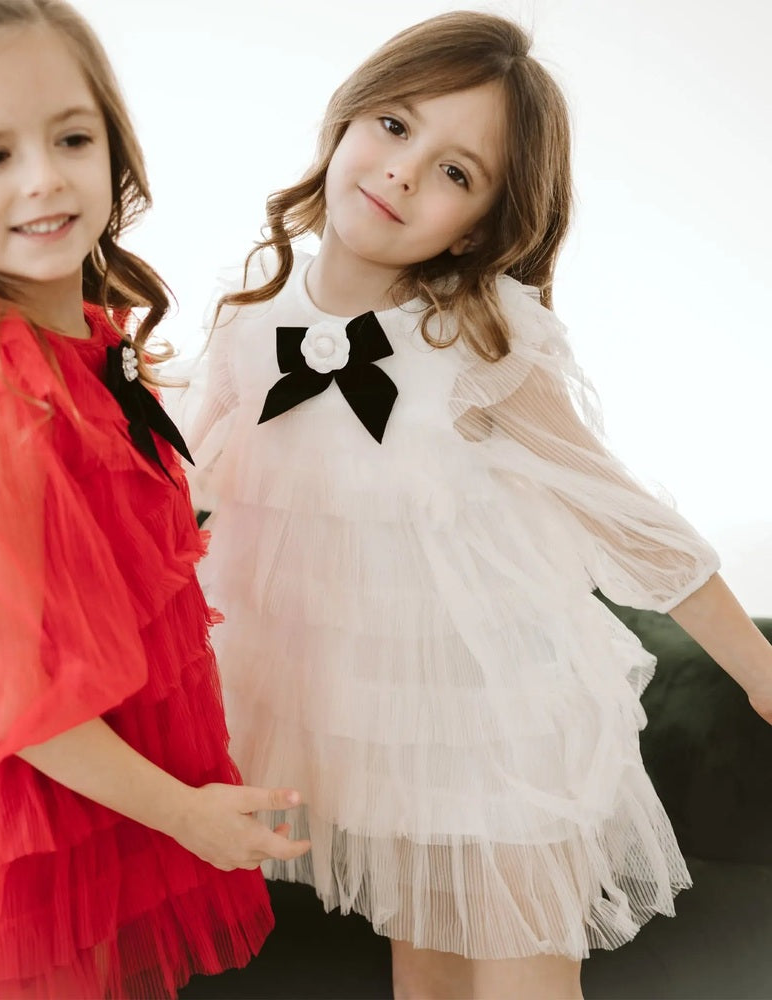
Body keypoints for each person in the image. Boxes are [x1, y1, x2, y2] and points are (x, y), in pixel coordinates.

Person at [180, 11, 772, 999]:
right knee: (426, 979)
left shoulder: (480, 337)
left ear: (486, 222)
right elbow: (171, 496)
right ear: (346, 117)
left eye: (458, 172)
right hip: (371, 727)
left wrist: (758, 668)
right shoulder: (250, 327)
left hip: (499, 730)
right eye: (396, 125)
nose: (406, 171)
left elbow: (619, 512)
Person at [0, 2, 310, 998]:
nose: (45, 177)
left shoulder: (77, 331)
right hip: (34, 826)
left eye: (72, 137)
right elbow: (7, 699)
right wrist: (186, 814)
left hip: (102, 794)